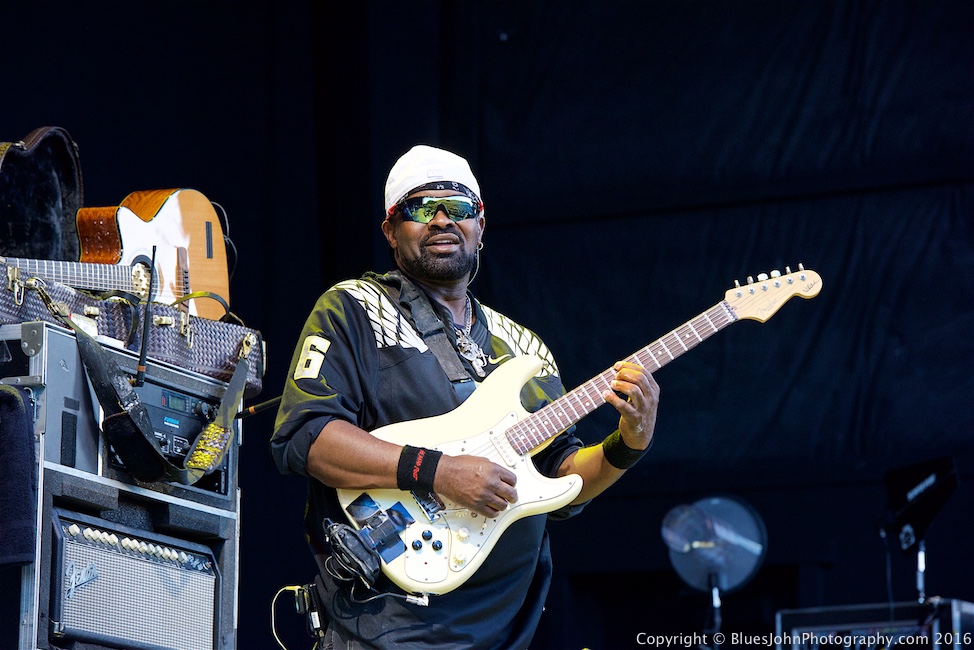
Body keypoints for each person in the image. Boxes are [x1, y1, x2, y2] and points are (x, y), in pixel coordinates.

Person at [271, 144, 659, 649]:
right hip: (386, 626)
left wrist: (628, 444)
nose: (440, 221)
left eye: (458, 209)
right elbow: (307, 437)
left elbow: (560, 483)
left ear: (480, 226)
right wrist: (439, 472)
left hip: (504, 630)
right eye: (418, 209)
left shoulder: (525, 348)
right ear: (390, 230)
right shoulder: (352, 309)